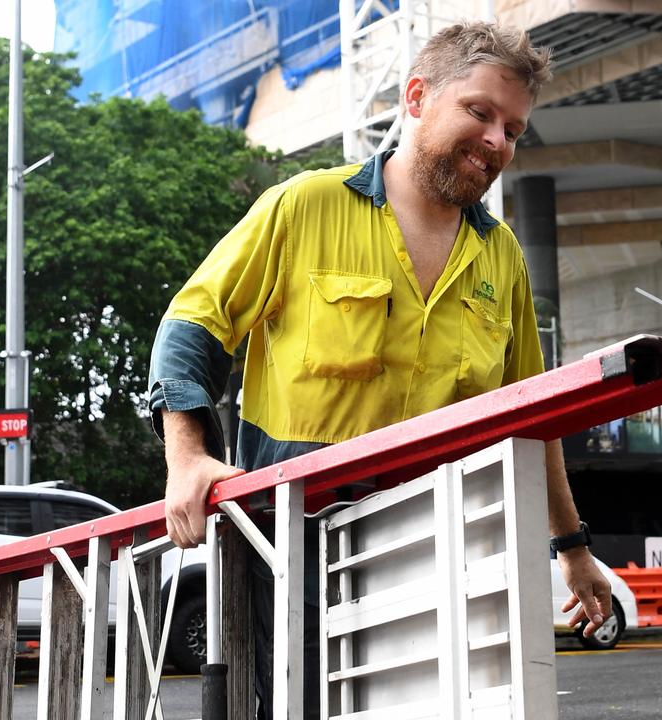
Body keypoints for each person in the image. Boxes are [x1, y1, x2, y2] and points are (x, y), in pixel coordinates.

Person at [148, 21, 610, 717]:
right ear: (417, 96)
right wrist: (187, 458)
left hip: (446, 548)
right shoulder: (304, 206)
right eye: (480, 112)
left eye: (513, 129)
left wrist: (572, 549)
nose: (496, 142)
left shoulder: (502, 256)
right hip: (303, 548)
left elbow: (534, 416)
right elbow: (191, 327)